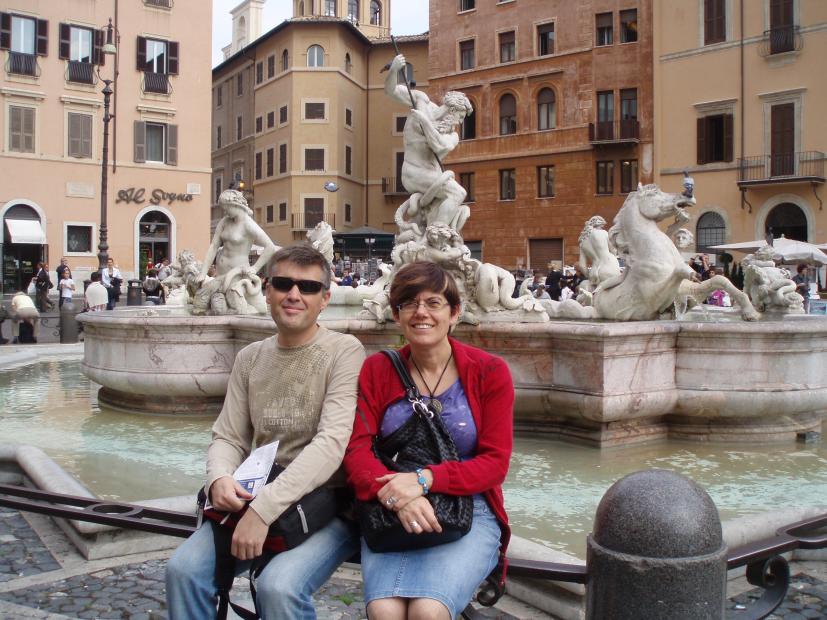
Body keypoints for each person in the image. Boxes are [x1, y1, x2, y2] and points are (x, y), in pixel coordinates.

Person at [166, 244, 365, 619]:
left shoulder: (344, 351)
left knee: (278, 588)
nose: (294, 295)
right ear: (267, 290)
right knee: (183, 571)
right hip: (256, 494)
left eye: (308, 287)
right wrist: (219, 478)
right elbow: (229, 436)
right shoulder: (250, 357)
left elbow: (330, 445)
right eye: (284, 284)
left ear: (325, 299)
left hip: (326, 504)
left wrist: (262, 511)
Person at [344, 261, 514, 620]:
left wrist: (424, 480)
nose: (421, 312)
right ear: (396, 315)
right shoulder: (378, 369)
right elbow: (357, 449)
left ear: (454, 312)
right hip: (391, 505)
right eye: (409, 303)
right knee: (385, 611)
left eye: (434, 303)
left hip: (469, 506)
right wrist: (397, 496)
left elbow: (495, 463)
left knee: (428, 610)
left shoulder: (489, 371)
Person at [386, 53, 473, 235]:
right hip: (413, 172)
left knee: (456, 197)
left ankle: (436, 233)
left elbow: (439, 147)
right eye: (460, 116)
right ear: (452, 109)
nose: (459, 122)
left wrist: (424, 122)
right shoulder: (421, 100)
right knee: (458, 193)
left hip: (433, 175)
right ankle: (436, 235)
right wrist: (394, 70)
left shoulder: (452, 135)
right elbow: (391, 91)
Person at [199, 189, 278, 314]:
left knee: (254, 309)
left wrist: (255, 268)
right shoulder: (224, 222)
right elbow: (214, 246)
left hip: (238, 275)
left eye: (226, 208)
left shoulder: (248, 224)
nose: (225, 212)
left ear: (235, 205)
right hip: (221, 274)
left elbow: (270, 247)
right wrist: (203, 273)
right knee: (212, 305)